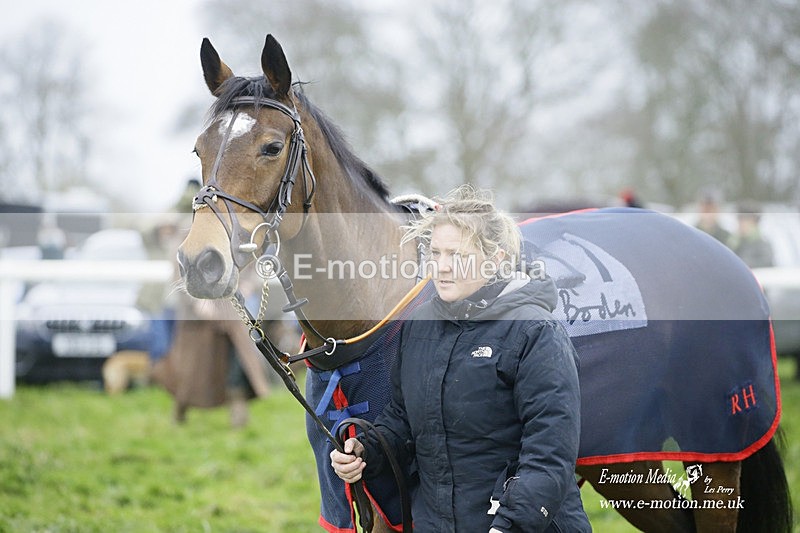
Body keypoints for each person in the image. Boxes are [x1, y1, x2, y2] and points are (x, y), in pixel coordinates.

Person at [331, 186, 591, 532]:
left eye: (456, 255)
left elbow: (549, 456)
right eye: (435, 253)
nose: (441, 267)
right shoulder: (418, 325)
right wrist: (365, 451)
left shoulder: (536, 332)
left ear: (496, 259)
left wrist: (509, 526)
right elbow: (401, 420)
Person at [730, 204, 774, 269]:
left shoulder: (762, 244)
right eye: (740, 219)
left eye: (746, 220)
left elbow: (766, 265)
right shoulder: (733, 242)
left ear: (755, 222)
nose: (742, 223)